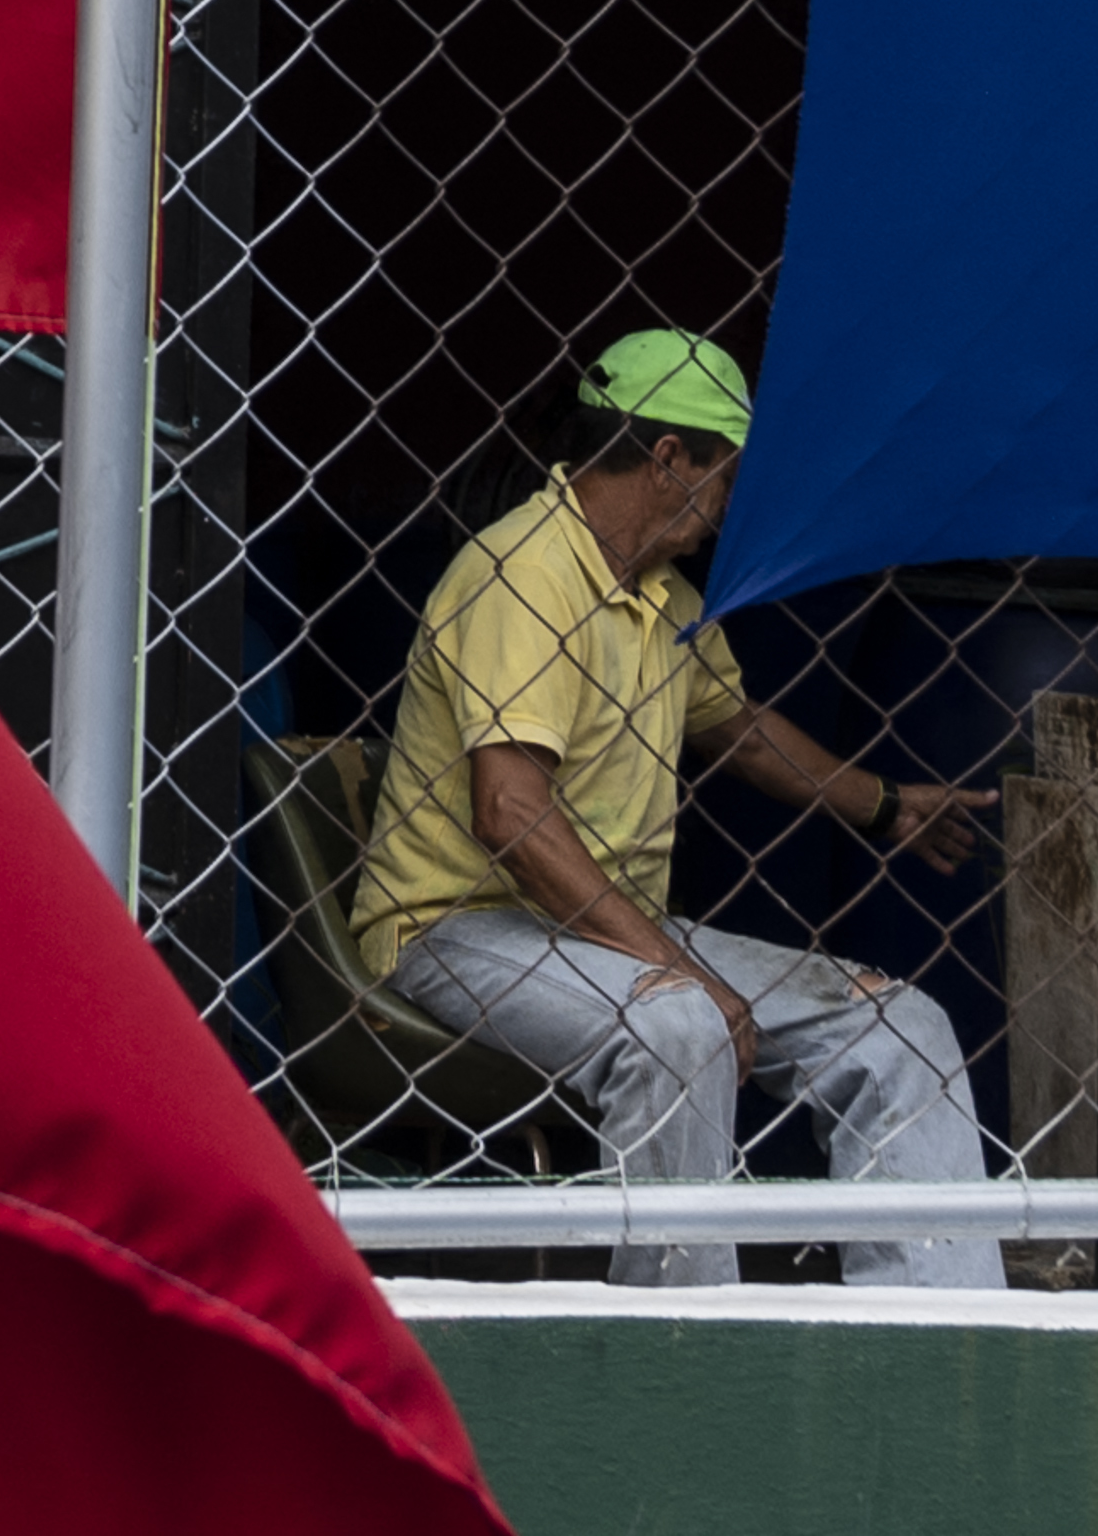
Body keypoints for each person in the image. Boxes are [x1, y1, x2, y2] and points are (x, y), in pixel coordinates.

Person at [347, 330, 1007, 1288]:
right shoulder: (523, 574)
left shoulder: (657, 595)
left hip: (605, 935)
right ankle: (688, 1359)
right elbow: (511, 814)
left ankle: (937, 1361)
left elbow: (735, 729)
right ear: (667, 461)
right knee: (682, 1025)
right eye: (724, 478)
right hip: (456, 931)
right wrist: (676, 971)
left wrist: (884, 805)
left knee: (903, 1028)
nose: (727, 508)